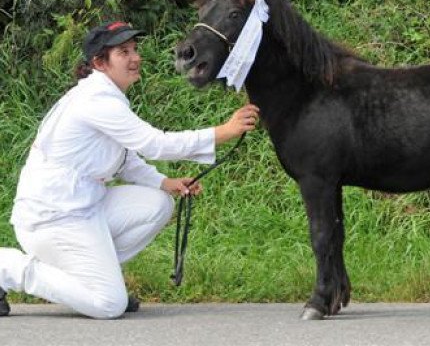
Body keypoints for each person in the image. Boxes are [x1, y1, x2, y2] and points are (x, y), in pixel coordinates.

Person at [0, 20, 259, 319]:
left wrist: (164, 181)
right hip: (52, 220)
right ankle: (8, 267)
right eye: (123, 52)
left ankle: (93, 275)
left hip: (83, 209)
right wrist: (223, 131)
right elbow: (153, 144)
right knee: (109, 305)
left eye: (135, 49)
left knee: (157, 203)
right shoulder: (95, 101)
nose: (135, 57)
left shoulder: (107, 96)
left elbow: (124, 159)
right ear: (100, 62)